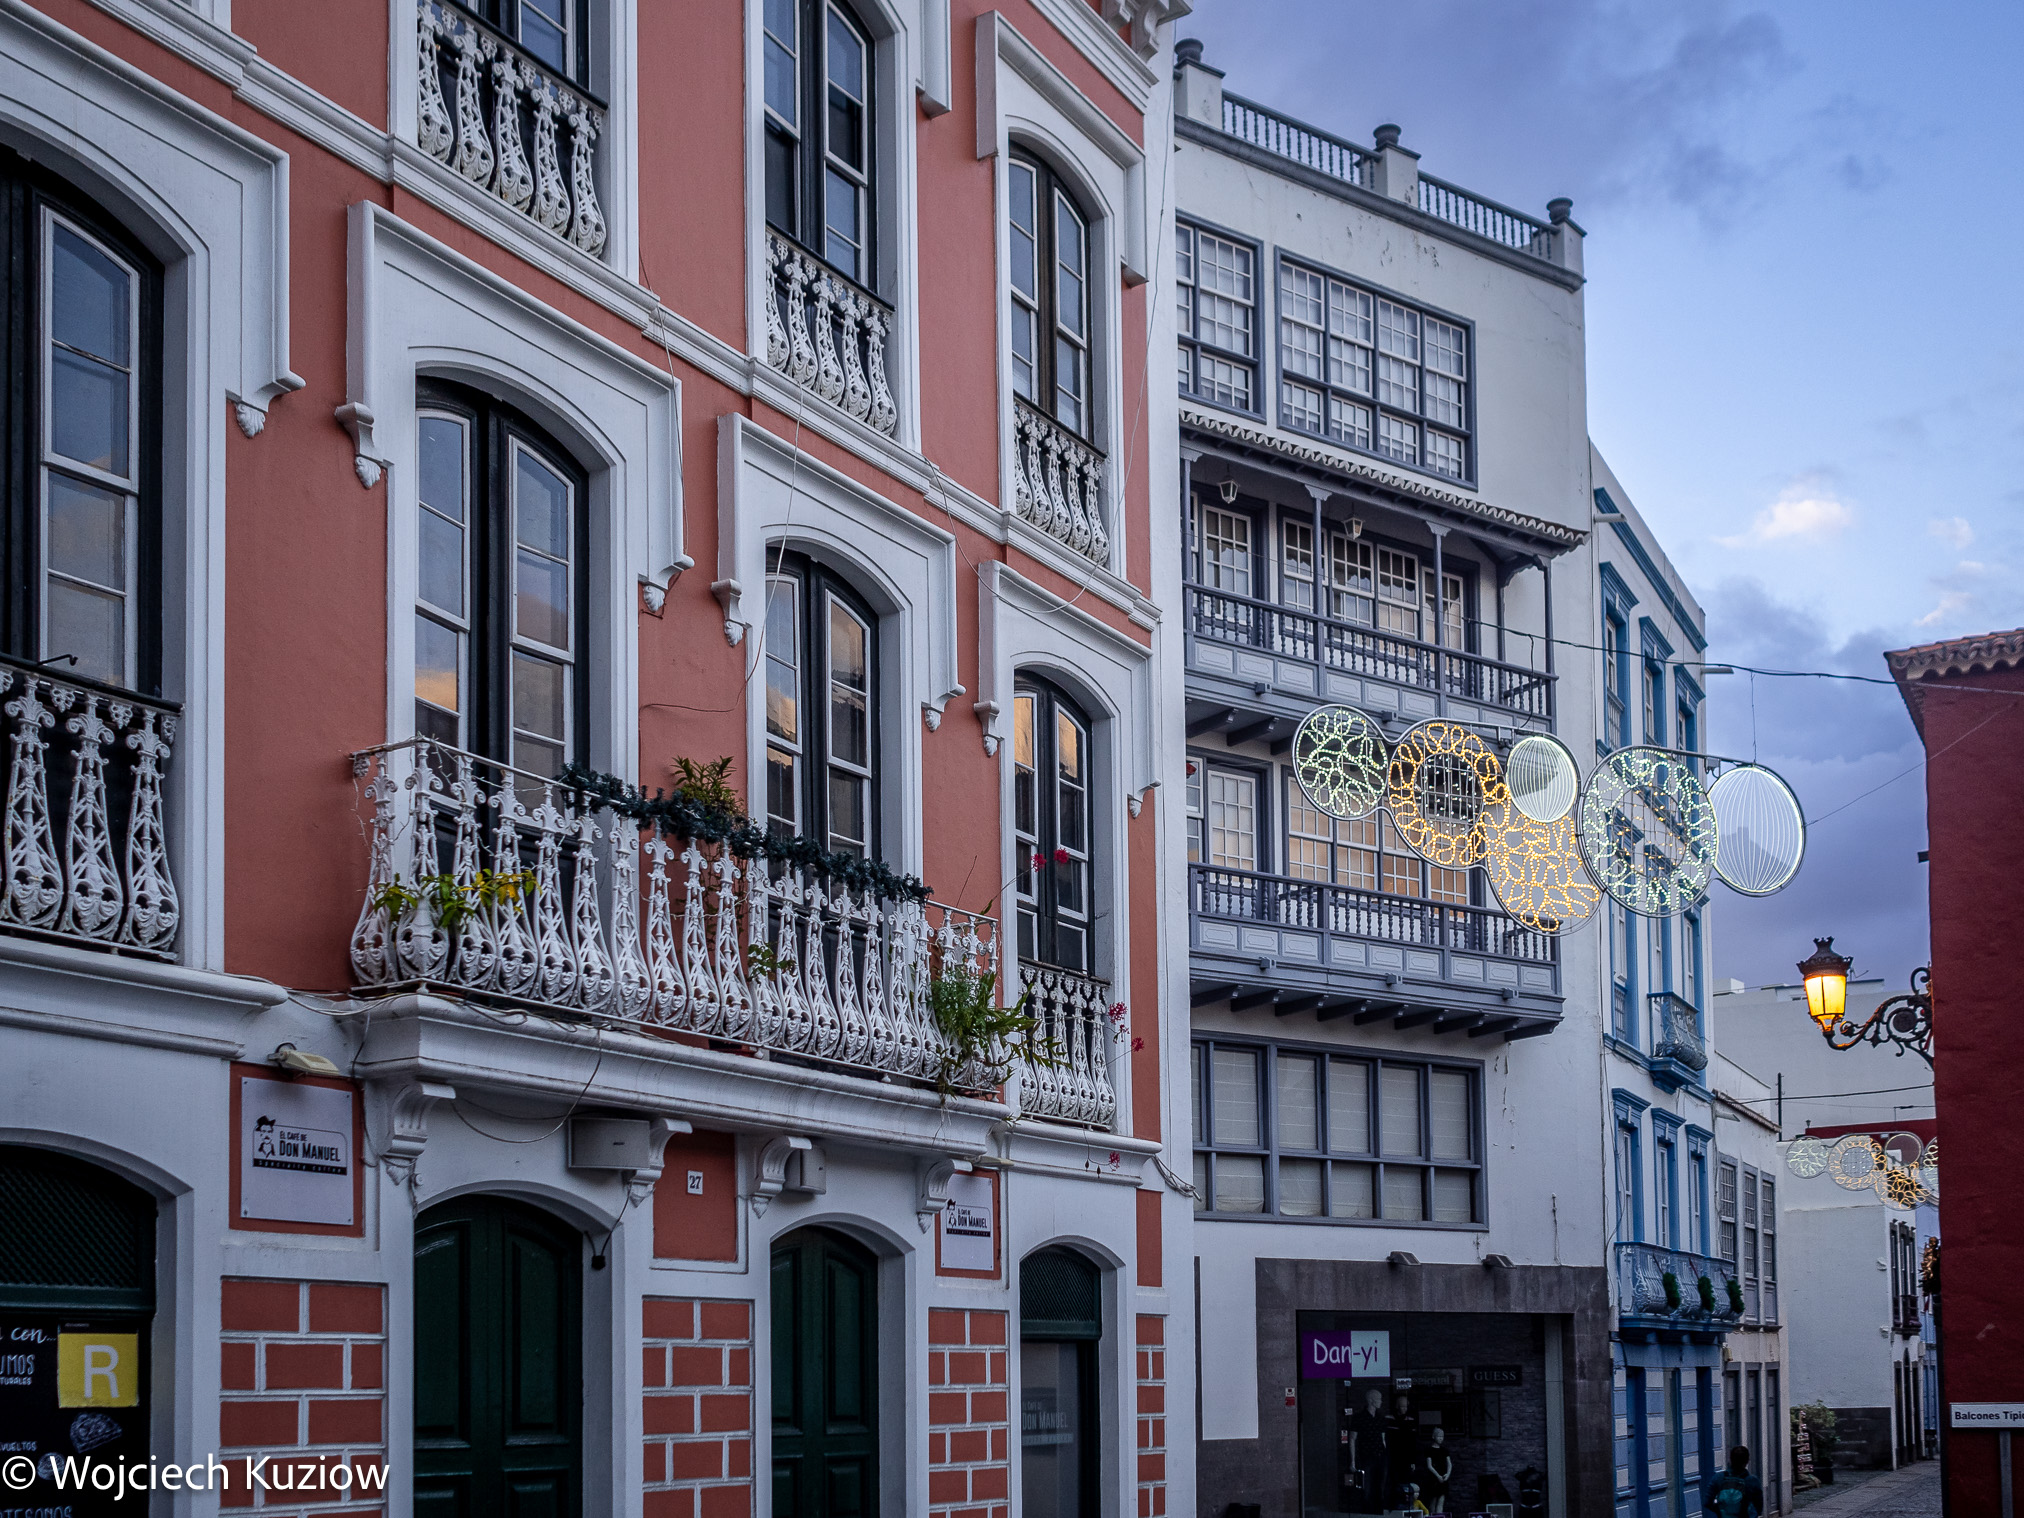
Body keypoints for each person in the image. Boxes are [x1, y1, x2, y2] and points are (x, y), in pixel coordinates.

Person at [1704, 1446, 1765, 1518]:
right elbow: (1759, 1506)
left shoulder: (1718, 1478)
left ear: (1730, 1459)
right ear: (1747, 1461)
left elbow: (1707, 1502)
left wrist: (1720, 1510)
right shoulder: (1752, 1481)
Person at [1416, 1426, 1453, 1513]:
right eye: (1439, 1436)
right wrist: (1438, 1476)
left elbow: (1449, 1464)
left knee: (1441, 1501)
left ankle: (1440, 1516)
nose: (1441, 1438)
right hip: (1433, 1479)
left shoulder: (1444, 1450)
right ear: (1433, 1436)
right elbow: (1429, 1466)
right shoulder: (1429, 1450)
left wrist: (1447, 1474)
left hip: (1443, 1477)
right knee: (1433, 1501)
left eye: (1442, 1436)